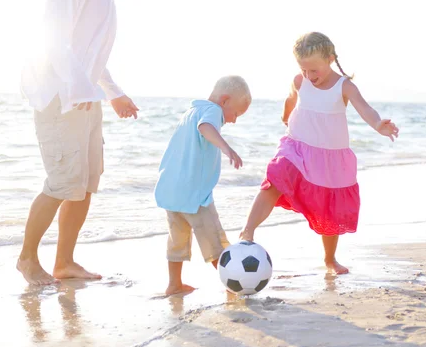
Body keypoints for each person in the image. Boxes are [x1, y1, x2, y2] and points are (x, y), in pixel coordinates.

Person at [17, 0, 139, 285]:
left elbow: (91, 55)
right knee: (62, 182)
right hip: (60, 98)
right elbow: (54, 38)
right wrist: (79, 87)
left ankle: (65, 262)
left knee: (85, 183)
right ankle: (26, 259)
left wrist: (113, 92)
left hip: (85, 99)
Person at [239, 32, 399, 274]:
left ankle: (330, 259)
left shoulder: (344, 86)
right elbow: (291, 100)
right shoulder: (300, 80)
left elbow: (365, 108)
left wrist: (378, 125)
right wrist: (286, 117)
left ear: (331, 59)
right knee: (275, 179)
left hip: (330, 155)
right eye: (305, 70)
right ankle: (247, 230)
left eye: (314, 70)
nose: (309, 76)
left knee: (329, 208)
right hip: (296, 146)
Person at [154, 76, 252, 295]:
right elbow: (205, 127)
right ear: (225, 100)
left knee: (177, 241)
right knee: (215, 242)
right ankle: (233, 285)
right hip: (195, 195)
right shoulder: (213, 112)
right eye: (236, 113)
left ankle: (174, 284)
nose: (234, 120)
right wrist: (227, 149)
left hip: (172, 192)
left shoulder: (190, 111)